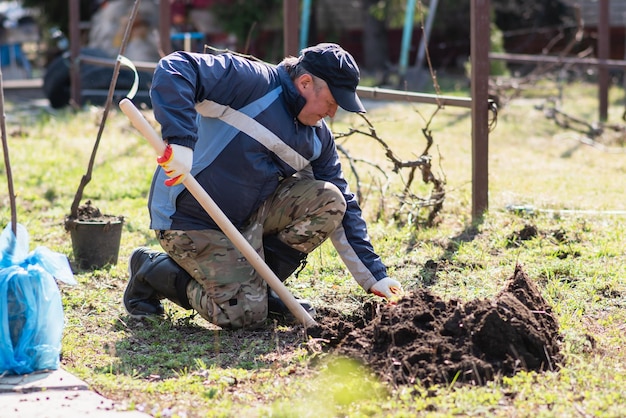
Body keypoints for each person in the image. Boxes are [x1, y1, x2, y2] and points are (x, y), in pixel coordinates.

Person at [123, 43, 403, 329]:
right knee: (244, 315)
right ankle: (151, 270)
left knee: (330, 200)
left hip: (247, 220)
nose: (332, 114)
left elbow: (342, 203)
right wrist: (180, 141)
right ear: (306, 83)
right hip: (189, 218)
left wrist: (375, 277)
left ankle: (259, 289)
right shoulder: (250, 82)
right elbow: (176, 67)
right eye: (332, 102)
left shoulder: (317, 139)